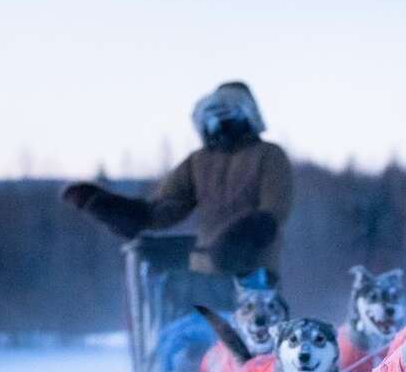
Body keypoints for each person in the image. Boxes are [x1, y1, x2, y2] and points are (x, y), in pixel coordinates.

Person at [61, 80, 293, 278]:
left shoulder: (269, 155)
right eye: (212, 121)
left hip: (256, 275)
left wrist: (238, 242)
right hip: (205, 273)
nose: (220, 128)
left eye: (226, 119)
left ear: (247, 116)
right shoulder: (198, 161)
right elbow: (161, 210)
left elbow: (273, 212)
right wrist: (105, 205)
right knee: (200, 329)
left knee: (252, 330)